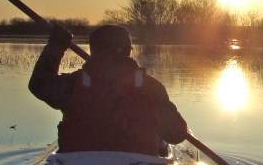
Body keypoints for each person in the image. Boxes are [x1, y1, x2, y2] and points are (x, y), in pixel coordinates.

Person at [28, 23, 189, 156]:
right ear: (127, 51)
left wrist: (55, 47)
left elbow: (39, 85)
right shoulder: (151, 88)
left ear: (94, 50)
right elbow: (176, 134)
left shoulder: (73, 85)